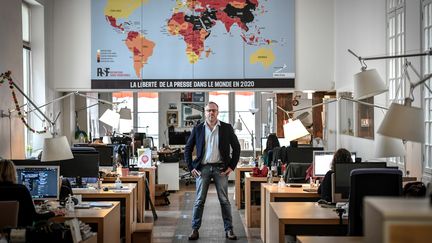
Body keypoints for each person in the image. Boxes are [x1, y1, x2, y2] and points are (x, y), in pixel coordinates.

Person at [184, 101, 241, 240]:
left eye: (214, 110)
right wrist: (191, 167)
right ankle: (195, 229)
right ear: (205, 112)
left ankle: (229, 230)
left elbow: (237, 147)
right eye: (209, 110)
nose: (211, 113)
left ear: (218, 112)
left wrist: (231, 166)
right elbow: (187, 148)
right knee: (199, 200)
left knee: (224, 200)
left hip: (220, 168)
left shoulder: (226, 128)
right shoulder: (198, 128)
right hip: (202, 168)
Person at [0, 159, 64, 227]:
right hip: (20, 234)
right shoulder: (21, 190)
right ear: (13, 173)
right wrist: (53, 213)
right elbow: (35, 217)